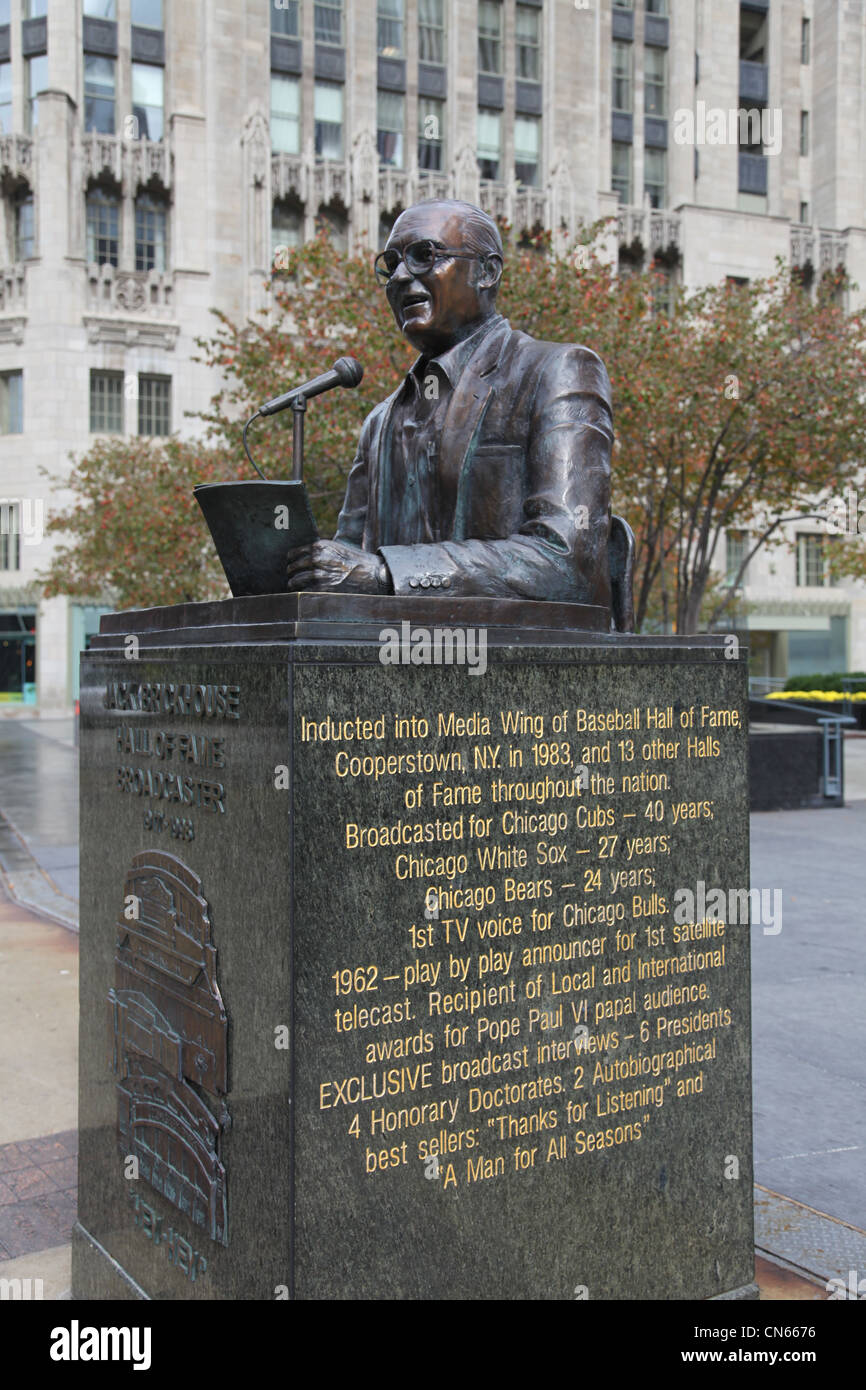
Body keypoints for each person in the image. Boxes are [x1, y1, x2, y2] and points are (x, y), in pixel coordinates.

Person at [286, 198, 613, 610]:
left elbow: (568, 559)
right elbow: (351, 560)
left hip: (511, 656)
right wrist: (306, 572)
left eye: (425, 256)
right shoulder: (380, 422)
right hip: (389, 655)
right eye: (391, 263)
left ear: (487, 272)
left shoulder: (556, 371)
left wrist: (387, 575)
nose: (402, 275)